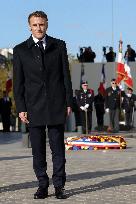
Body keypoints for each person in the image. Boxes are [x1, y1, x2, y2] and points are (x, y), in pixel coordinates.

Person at [13, 11, 73, 199]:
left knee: (58, 150)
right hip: (33, 107)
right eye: (35, 25)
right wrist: (21, 107)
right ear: (29, 26)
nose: (39, 28)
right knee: (38, 150)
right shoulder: (20, 50)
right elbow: (18, 82)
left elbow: (66, 77)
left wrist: (68, 102)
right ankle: (42, 185)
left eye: (42, 24)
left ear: (47, 24)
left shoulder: (59, 46)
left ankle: (59, 186)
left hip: (56, 104)